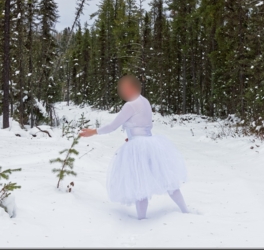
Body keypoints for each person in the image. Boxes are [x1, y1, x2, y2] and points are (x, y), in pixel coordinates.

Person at [79, 74, 189, 220]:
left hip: (138, 147)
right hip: (150, 143)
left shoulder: (130, 105)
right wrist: (132, 136)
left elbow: (113, 126)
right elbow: (143, 124)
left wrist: (94, 132)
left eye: (125, 88)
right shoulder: (144, 101)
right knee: (165, 178)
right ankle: (185, 211)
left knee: (139, 182)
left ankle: (142, 219)